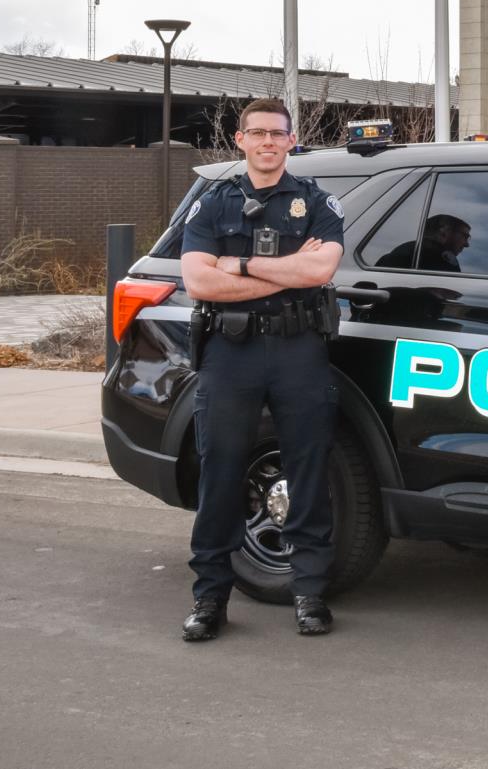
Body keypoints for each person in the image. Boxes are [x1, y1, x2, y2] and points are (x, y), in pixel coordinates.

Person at [177, 97, 345, 642]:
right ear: (241, 140)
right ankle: (209, 600)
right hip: (231, 353)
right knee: (220, 472)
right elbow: (200, 282)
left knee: (309, 471)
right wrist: (287, 273)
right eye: (258, 133)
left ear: (293, 141)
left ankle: (310, 594)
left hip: (299, 350)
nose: (269, 142)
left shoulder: (317, 202)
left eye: (278, 133)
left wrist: (242, 265)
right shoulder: (214, 203)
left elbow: (321, 268)